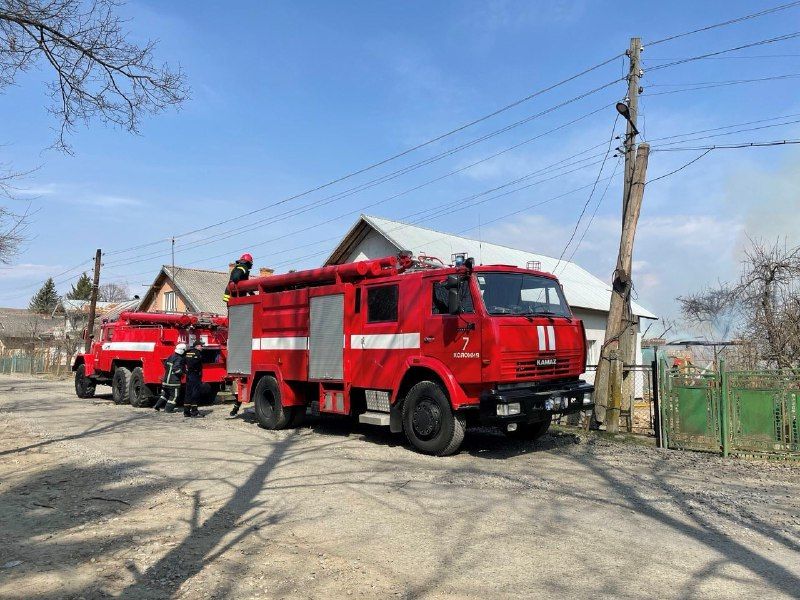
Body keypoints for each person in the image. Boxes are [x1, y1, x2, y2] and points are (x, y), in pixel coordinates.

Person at [154, 343, 186, 412]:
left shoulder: (171, 356)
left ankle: (157, 406)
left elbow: (165, 365)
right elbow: (176, 368)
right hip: (174, 382)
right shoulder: (179, 359)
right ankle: (168, 409)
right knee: (174, 396)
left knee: (165, 394)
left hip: (166, 381)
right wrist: (182, 373)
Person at [183, 339, 205, 418]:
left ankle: (186, 411)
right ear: (197, 346)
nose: (202, 347)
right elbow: (196, 364)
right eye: (201, 346)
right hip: (195, 375)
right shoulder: (198, 353)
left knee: (188, 392)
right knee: (195, 392)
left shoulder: (187, 352)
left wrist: (186, 371)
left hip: (189, 374)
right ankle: (194, 411)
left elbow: (183, 362)